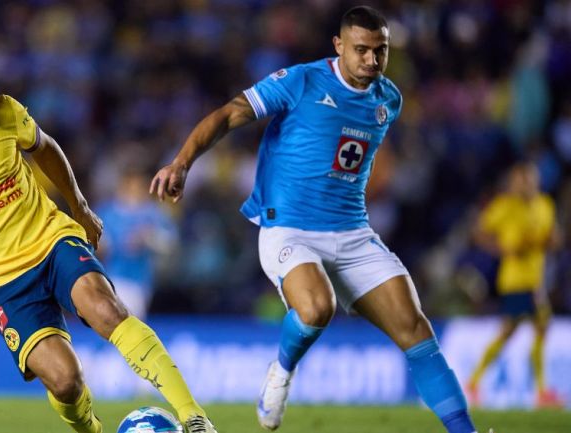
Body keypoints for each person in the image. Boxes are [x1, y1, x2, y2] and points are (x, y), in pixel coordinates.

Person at [151, 6, 483, 433]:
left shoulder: (388, 99)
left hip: (352, 232)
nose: (371, 60)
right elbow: (231, 113)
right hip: (288, 227)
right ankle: (282, 371)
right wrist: (182, 163)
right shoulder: (301, 80)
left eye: (380, 51)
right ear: (339, 46)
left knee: (416, 330)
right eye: (361, 50)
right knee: (316, 308)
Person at [0, 38, 216, 433]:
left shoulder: (2, 111)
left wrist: (79, 206)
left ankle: (194, 418)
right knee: (65, 380)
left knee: (106, 309)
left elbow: (46, 148)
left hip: (51, 240)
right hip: (1, 281)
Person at [467, 161, 563, 408]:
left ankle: (474, 383)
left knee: (517, 330)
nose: (525, 184)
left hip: (536, 278)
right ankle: (541, 392)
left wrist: (553, 241)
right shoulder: (505, 206)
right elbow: (478, 231)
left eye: (529, 179)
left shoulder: (545, 205)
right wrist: (501, 249)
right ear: (513, 182)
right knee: (536, 325)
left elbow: (552, 238)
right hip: (515, 280)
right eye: (521, 180)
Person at [96, 166, 177, 319]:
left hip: (142, 280)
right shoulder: (107, 213)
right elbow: (95, 244)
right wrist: (105, 246)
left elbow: (169, 244)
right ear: (124, 186)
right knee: (121, 324)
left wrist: (149, 238)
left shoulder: (152, 212)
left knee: (133, 324)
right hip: (114, 277)